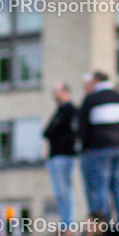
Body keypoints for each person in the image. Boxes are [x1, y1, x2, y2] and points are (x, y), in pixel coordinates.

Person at [77, 71, 119, 225]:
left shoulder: (91, 99)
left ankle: (101, 224)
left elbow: (81, 126)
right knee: (118, 185)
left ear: (96, 81)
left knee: (100, 187)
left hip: (99, 149)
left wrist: (86, 146)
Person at [42, 82, 78, 228]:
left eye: (57, 91)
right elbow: (47, 132)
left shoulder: (70, 111)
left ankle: (68, 224)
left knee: (64, 191)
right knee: (59, 193)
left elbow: (53, 131)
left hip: (64, 155)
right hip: (55, 156)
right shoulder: (59, 111)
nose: (54, 94)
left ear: (65, 92)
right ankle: (65, 223)